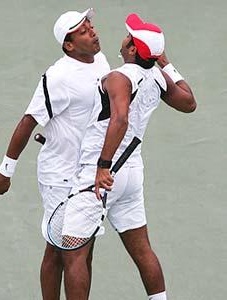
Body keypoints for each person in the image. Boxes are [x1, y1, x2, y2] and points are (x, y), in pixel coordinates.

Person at [60, 13, 196, 300]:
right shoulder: (158, 78)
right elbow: (189, 102)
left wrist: (102, 166)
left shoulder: (119, 77)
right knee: (142, 249)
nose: (123, 39)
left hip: (100, 176)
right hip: (132, 175)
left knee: (73, 254)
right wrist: (165, 62)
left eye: (128, 37)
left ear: (132, 49)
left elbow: (119, 119)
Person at [0, 8, 110, 300]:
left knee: (74, 249)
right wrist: (5, 171)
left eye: (89, 25)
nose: (92, 31)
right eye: (83, 31)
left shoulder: (103, 62)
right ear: (68, 45)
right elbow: (28, 120)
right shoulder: (58, 77)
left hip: (91, 173)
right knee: (73, 251)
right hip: (61, 177)